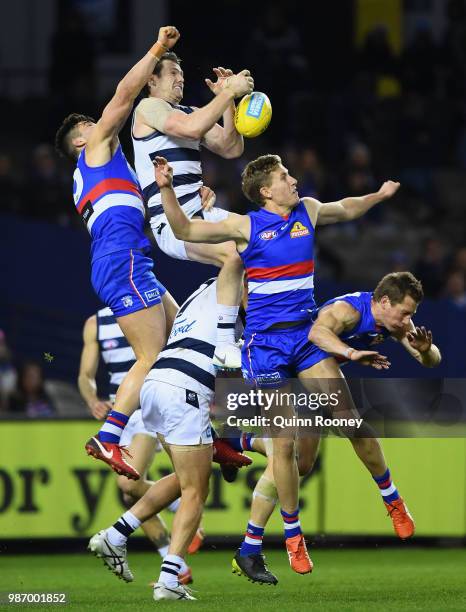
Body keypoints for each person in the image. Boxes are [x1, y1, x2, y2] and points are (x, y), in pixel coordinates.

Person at [151, 153, 401, 576]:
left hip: (305, 336)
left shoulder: (309, 210)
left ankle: (392, 499)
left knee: (348, 420)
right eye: (285, 177)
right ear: (267, 191)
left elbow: (347, 207)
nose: (293, 179)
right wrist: (165, 189)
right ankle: (293, 536)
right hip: (264, 346)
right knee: (284, 444)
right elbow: (184, 229)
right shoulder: (246, 226)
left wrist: (378, 195)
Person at [230, 271, 441, 584]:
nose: (408, 319)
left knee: (303, 463)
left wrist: (425, 350)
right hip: (297, 360)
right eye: (405, 312)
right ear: (384, 301)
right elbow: (317, 334)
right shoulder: (347, 311)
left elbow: (431, 361)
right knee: (308, 441)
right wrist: (353, 353)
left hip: (315, 370)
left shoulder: (398, 323)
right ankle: (290, 537)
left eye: (411, 314)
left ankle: (392, 500)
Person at [54, 26, 181, 480]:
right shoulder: (96, 151)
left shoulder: (99, 169)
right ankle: (108, 437)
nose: (100, 123)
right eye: (91, 125)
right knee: (151, 357)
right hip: (121, 260)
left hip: (127, 259)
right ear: (81, 142)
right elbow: (125, 96)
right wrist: (157, 50)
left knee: (179, 337)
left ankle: (204, 435)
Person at [88, 277, 251, 602]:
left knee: (187, 477)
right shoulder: (243, 289)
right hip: (186, 389)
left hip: (156, 383)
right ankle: (170, 578)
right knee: (196, 490)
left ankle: (115, 536)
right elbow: (235, 369)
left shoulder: (204, 290)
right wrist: (233, 433)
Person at [132, 53, 254, 368]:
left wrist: (226, 100)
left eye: (183, 72)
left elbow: (231, 147)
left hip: (203, 212)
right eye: (173, 72)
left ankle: (253, 333)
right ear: (152, 80)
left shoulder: (191, 111)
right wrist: (229, 92)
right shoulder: (148, 109)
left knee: (262, 239)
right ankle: (226, 344)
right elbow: (187, 129)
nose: (181, 77)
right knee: (234, 254)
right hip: (174, 222)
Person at [77, 307, 194, 584]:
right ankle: (176, 565)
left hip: (147, 406)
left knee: (129, 484)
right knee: (132, 497)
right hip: (119, 411)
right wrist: (92, 399)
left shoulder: (152, 311)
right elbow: (85, 375)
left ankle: (183, 504)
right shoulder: (95, 323)